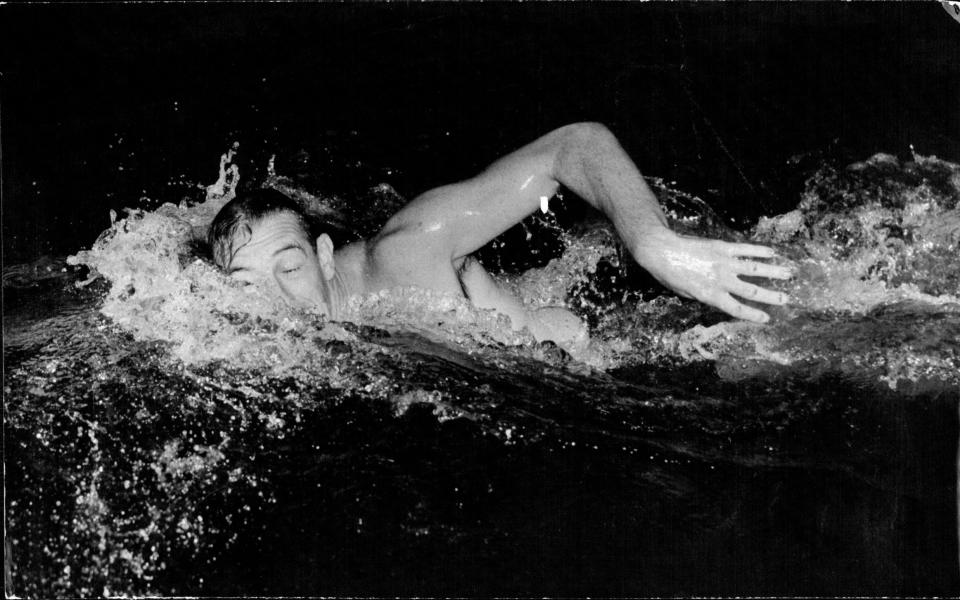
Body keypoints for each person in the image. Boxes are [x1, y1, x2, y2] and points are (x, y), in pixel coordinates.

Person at [208, 122, 792, 346]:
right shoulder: (237, 329)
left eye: (290, 269)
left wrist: (652, 243)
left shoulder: (407, 251)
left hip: (625, 343)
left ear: (325, 256)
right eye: (246, 283)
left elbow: (574, 146)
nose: (276, 302)